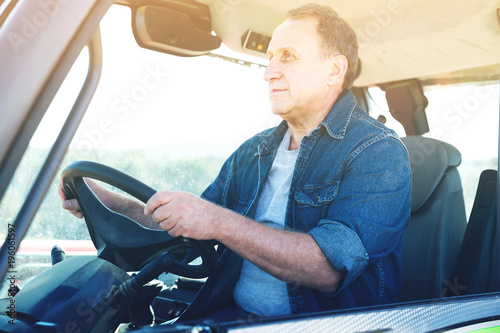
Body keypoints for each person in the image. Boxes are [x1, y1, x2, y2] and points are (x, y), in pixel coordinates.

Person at [59, 3, 411, 320]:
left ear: (334, 70)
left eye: (287, 56)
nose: (268, 72)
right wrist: (104, 199)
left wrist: (218, 222)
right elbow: (188, 226)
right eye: (270, 57)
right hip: (232, 316)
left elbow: (328, 270)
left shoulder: (377, 152)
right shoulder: (255, 151)